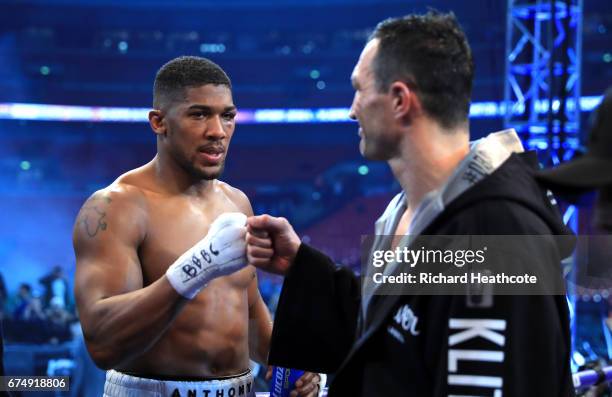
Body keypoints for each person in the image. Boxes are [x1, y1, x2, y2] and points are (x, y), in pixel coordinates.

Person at [246, 12, 575, 396]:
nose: (352, 109)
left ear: (400, 100)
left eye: (359, 89)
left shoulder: (494, 235)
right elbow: (395, 325)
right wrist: (303, 265)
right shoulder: (408, 212)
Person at [73, 56, 319, 397]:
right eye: (199, 114)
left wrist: (294, 363)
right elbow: (103, 343)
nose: (218, 131)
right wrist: (198, 266)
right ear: (159, 122)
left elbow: (251, 323)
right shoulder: (116, 207)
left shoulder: (237, 203)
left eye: (227, 116)